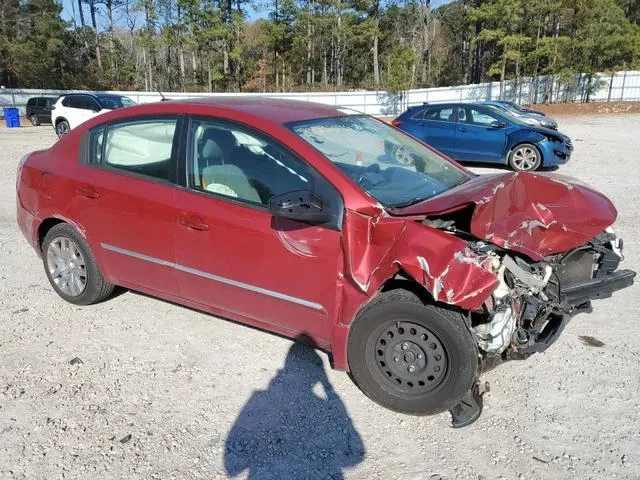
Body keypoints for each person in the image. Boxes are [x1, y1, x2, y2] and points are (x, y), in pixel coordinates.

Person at [224, 340, 365, 480]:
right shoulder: (324, 408)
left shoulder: (261, 399)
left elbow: (231, 467)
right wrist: (328, 388)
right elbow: (356, 455)